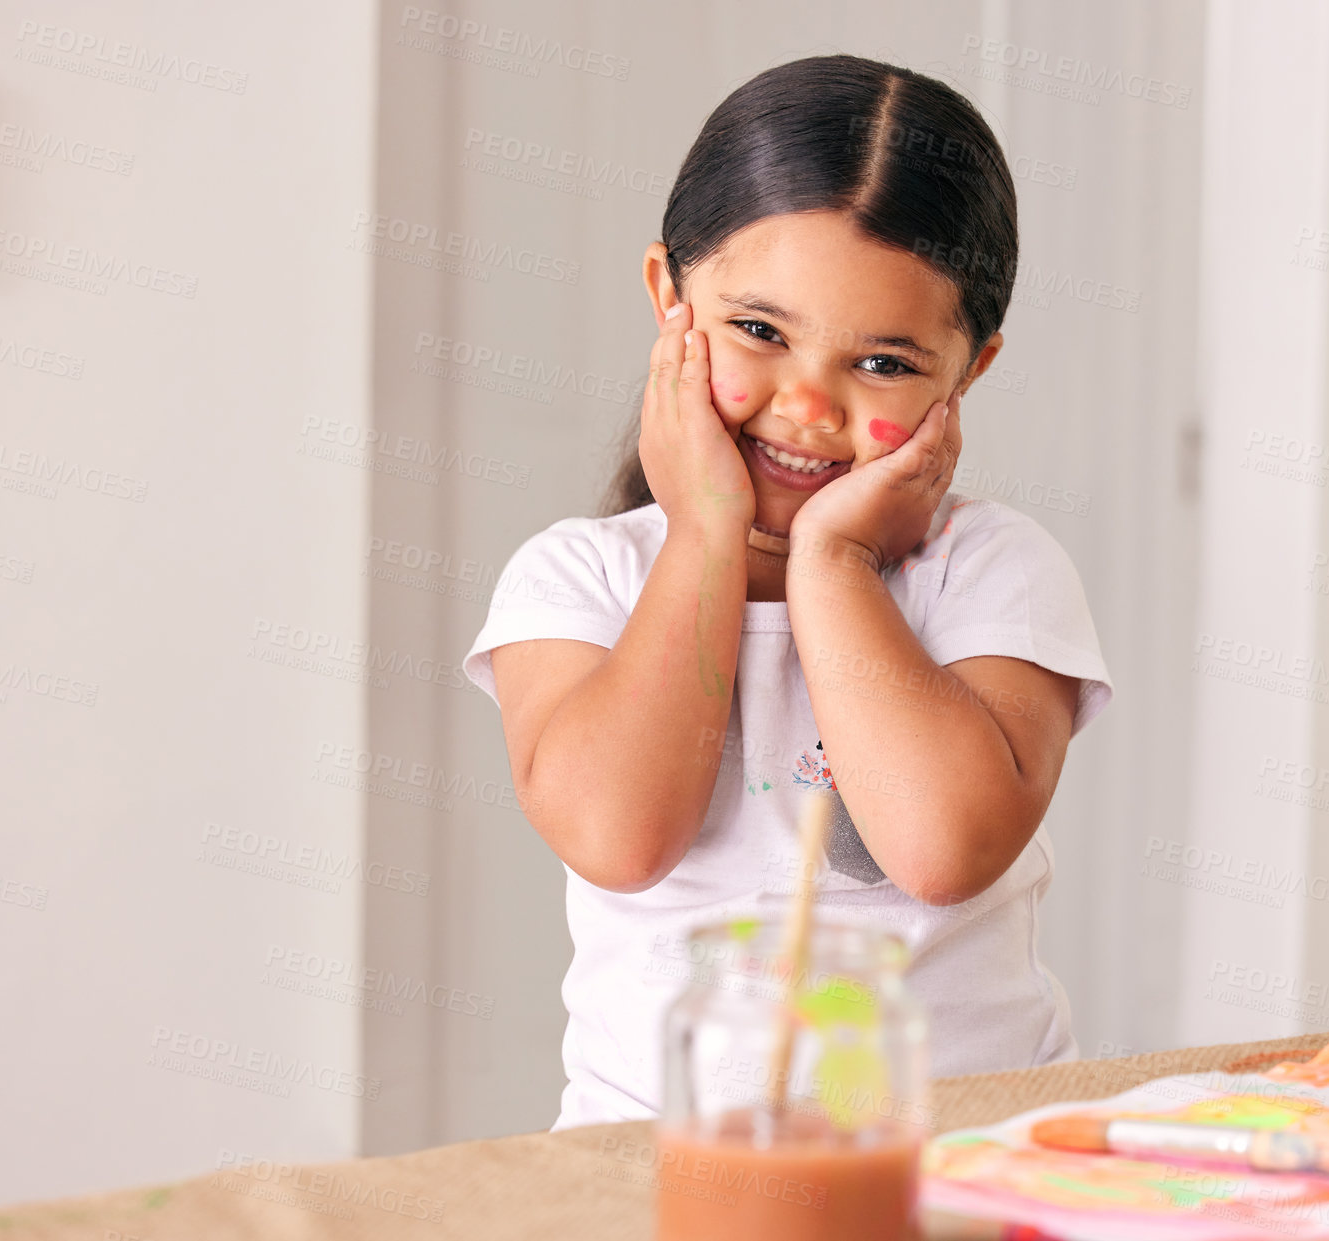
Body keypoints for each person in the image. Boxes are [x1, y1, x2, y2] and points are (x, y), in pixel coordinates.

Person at [461, 52, 1114, 1131]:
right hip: (655, 1164)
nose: (807, 406)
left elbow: (943, 849)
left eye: (886, 362)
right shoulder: (579, 581)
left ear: (971, 369)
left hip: (962, 1157)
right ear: (670, 296)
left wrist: (833, 563)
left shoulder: (995, 575)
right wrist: (708, 534)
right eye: (759, 332)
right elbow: (620, 835)